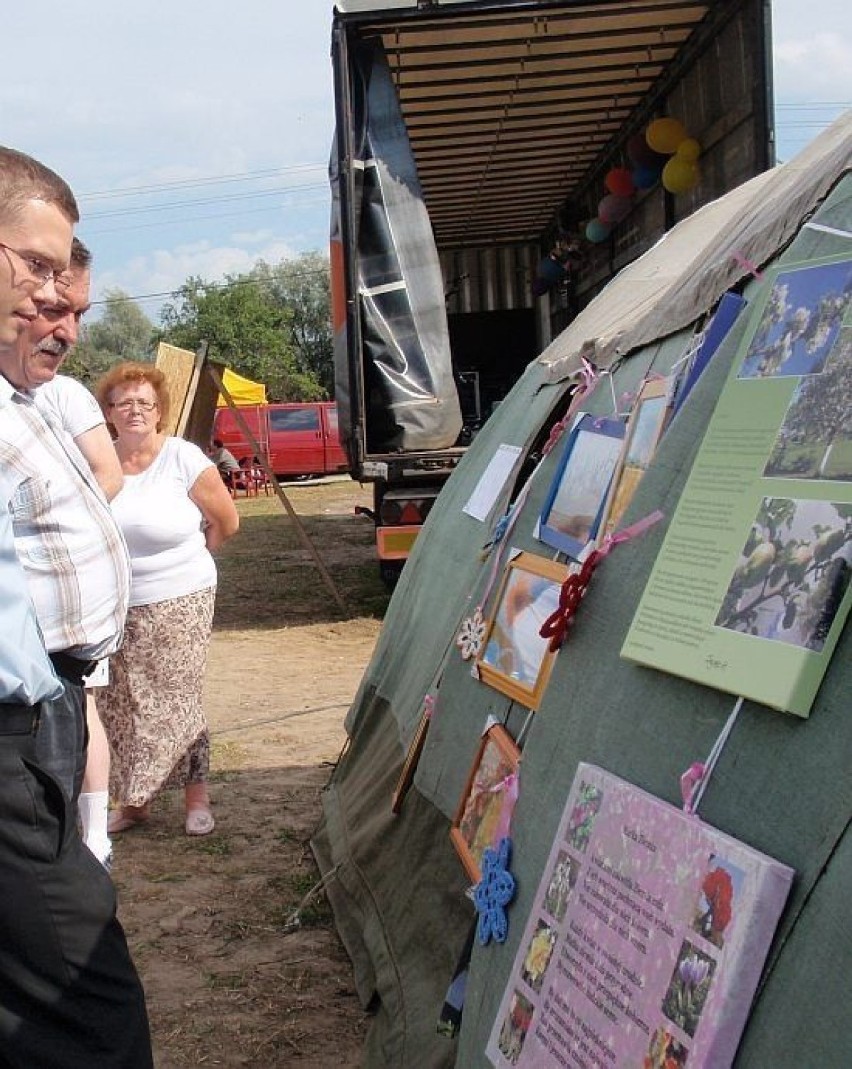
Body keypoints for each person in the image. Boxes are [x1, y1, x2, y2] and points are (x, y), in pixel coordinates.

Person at [0, 143, 153, 1068]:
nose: (58, 303)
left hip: (45, 718)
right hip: (8, 742)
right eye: (40, 266)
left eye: (69, 280)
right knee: (91, 1011)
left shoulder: (26, 394)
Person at [95, 362, 239, 836]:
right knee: (121, 702)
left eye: (145, 403)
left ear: (160, 412)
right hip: (115, 603)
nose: (135, 410)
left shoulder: (182, 458)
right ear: (109, 413)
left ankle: (196, 800)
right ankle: (134, 802)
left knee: (177, 698)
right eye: (124, 402)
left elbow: (227, 522)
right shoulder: (97, 461)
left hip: (182, 597)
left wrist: (190, 561)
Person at [27, 237, 123, 866]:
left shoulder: (57, 396)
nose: (70, 333)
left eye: (82, 315)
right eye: (55, 308)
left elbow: (106, 477)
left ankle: (92, 835)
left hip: (65, 650)